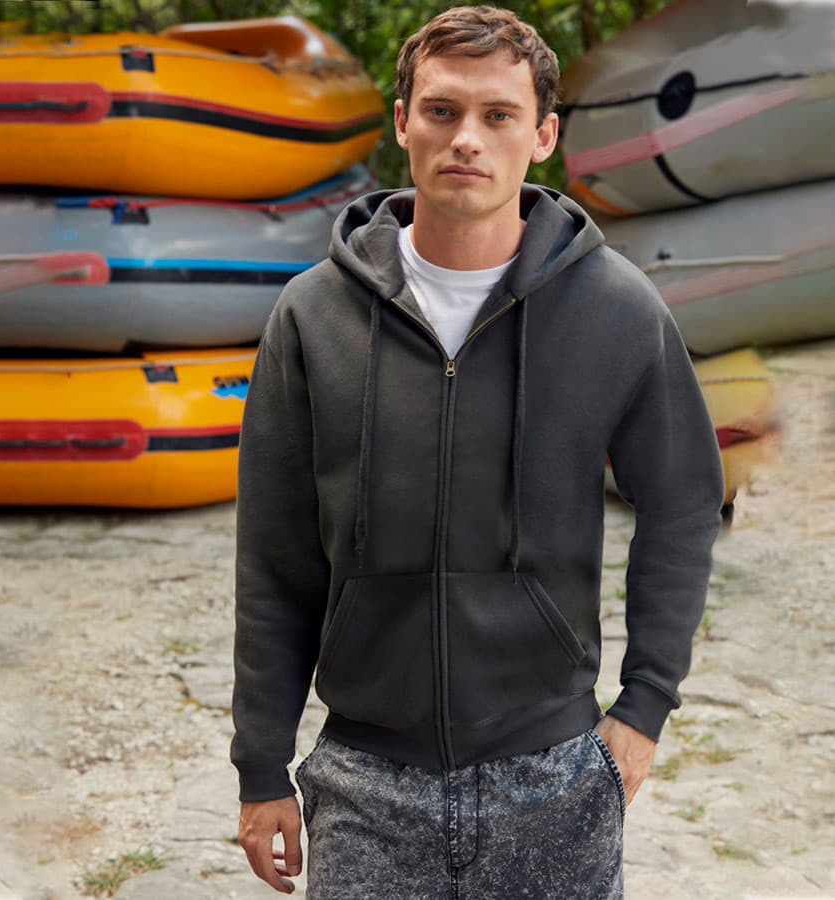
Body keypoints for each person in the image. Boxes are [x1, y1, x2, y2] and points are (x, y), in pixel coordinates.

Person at [230, 6, 723, 898]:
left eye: (498, 115)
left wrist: (645, 704)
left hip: (555, 775)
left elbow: (684, 499)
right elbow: (274, 552)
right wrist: (261, 766)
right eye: (442, 110)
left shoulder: (616, 308)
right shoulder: (311, 316)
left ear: (543, 136)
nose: (467, 138)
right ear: (402, 123)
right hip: (365, 784)